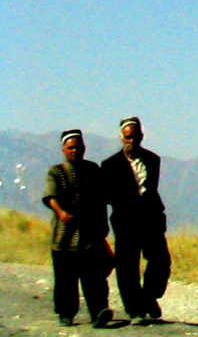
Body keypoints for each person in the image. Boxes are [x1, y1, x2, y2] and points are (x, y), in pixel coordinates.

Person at [101, 117, 171, 324]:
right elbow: (106, 195)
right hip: (125, 221)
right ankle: (135, 309)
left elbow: (152, 189)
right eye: (127, 137)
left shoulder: (153, 160)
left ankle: (149, 297)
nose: (131, 140)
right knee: (127, 266)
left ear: (141, 136)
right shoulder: (110, 165)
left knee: (160, 261)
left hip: (150, 220)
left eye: (135, 136)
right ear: (122, 138)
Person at [43, 130, 113, 328]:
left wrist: (102, 227)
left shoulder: (93, 170)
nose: (75, 151)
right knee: (65, 279)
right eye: (71, 147)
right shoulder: (56, 172)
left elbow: (101, 199)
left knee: (94, 277)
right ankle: (66, 313)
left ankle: (98, 311)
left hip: (89, 234)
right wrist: (61, 212)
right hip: (63, 235)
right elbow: (50, 196)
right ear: (64, 149)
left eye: (79, 147)